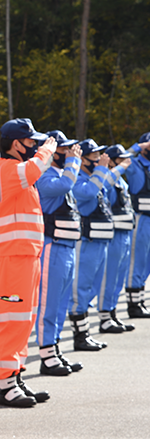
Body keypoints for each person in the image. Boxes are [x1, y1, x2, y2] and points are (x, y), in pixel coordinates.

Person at [0, 118, 54, 408]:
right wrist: (48, 150)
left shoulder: (17, 173)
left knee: (24, 321)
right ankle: (6, 385)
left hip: (25, 257)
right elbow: (35, 168)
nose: (35, 146)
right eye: (31, 142)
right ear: (17, 144)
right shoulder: (6, 169)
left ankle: (15, 378)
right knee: (12, 322)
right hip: (11, 259)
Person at [68, 139, 128, 350]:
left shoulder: (95, 177)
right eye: (93, 157)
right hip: (87, 241)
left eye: (98, 156)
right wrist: (102, 169)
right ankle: (80, 336)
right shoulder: (80, 179)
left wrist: (103, 171)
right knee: (81, 289)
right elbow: (87, 193)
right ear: (82, 160)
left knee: (93, 287)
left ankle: (86, 332)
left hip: (101, 240)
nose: (97, 160)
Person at [34, 130, 83, 376]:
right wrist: (75, 162)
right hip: (51, 247)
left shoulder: (62, 175)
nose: (69, 153)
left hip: (66, 248)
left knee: (61, 303)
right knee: (48, 304)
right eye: (64, 150)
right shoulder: (45, 176)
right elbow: (65, 184)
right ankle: (46, 355)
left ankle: (54, 349)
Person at [101, 145, 136, 332]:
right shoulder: (108, 177)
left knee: (118, 278)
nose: (125, 162)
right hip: (113, 235)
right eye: (120, 159)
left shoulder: (121, 180)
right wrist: (117, 168)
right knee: (110, 277)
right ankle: (104, 317)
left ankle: (112, 312)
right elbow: (104, 185)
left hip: (125, 233)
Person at [123, 133, 150, 318]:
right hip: (140, 218)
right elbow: (120, 159)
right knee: (136, 261)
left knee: (147, 263)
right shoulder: (134, 165)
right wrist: (137, 147)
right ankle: (133, 305)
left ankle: (140, 299)